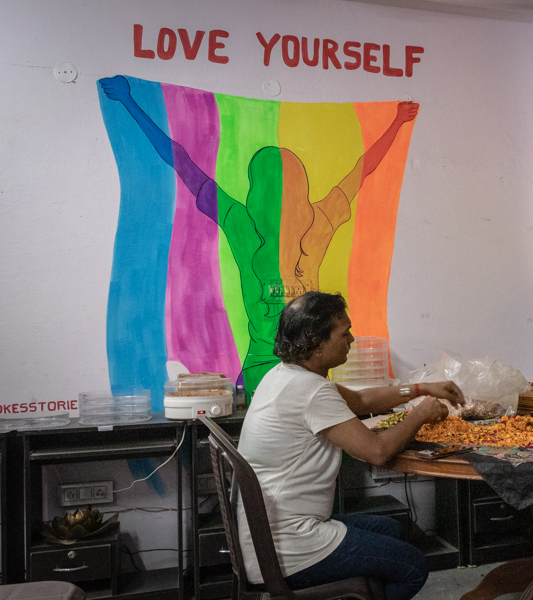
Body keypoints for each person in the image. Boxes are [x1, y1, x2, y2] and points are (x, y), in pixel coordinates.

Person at [100, 75, 419, 399]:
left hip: (287, 373)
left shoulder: (244, 223)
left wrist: (130, 103)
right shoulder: (309, 222)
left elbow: (184, 164)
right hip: (286, 373)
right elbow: (360, 171)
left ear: (254, 190)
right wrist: (395, 123)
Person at [236, 291, 465, 600]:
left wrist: (421, 388)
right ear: (317, 344)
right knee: (413, 567)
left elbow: (360, 401)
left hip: (267, 535)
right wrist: (420, 414)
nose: (353, 340)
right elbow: (378, 452)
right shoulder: (310, 390)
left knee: (392, 530)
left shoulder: (284, 376)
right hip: (289, 547)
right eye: (344, 334)